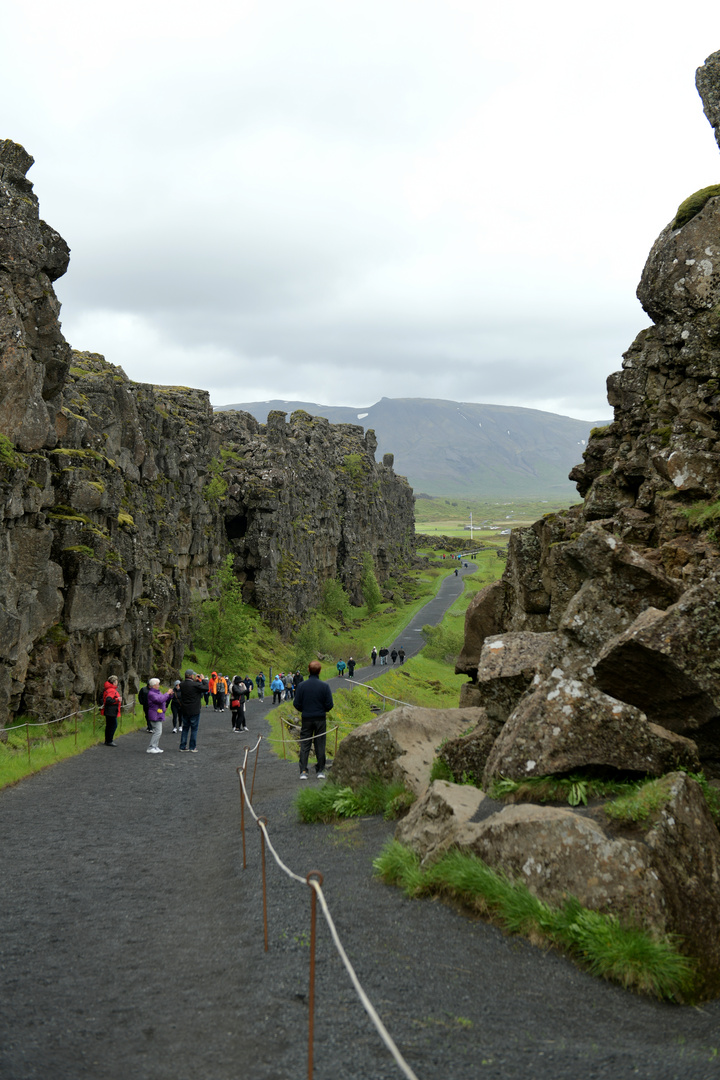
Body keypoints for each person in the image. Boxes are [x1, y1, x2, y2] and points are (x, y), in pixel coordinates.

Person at [293, 660, 334, 780]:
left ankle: (303, 771)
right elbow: (329, 704)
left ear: (308, 670)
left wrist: (304, 710)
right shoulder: (325, 686)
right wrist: (322, 710)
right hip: (320, 718)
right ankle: (320, 770)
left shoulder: (301, 686)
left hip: (306, 718)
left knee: (305, 743)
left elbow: (296, 703)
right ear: (320, 671)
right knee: (320, 743)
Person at [178, 669, 209, 752]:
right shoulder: (195, 685)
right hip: (194, 709)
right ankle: (192, 747)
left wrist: (195, 681)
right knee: (194, 729)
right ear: (191, 676)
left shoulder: (182, 684)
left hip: (185, 709)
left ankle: (182, 746)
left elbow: (189, 685)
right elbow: (206, 688)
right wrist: (203, 680)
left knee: (185, 728)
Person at [146, 678, 173, 754]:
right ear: (154, 685)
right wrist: (167, 693)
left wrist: (170, 695)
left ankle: (155, 746)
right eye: (158, 684)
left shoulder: (157, 692)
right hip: (154, 714)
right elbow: (160, 700)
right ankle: (151, 747)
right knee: (158, 732)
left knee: (157, 731)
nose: (158, 686)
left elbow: (163, 699)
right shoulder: (151, 693)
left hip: (158, 713)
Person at [101, 676, 122, 746]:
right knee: (113, 725)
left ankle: (108, 740)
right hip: (111, 711)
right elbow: (108, 700)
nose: (117, 683)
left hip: (109, 710)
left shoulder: (108, 689)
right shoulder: (111, 690)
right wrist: (117, 699)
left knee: (109, 725)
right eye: (116, 681)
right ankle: (109, 740)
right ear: (114, 682)